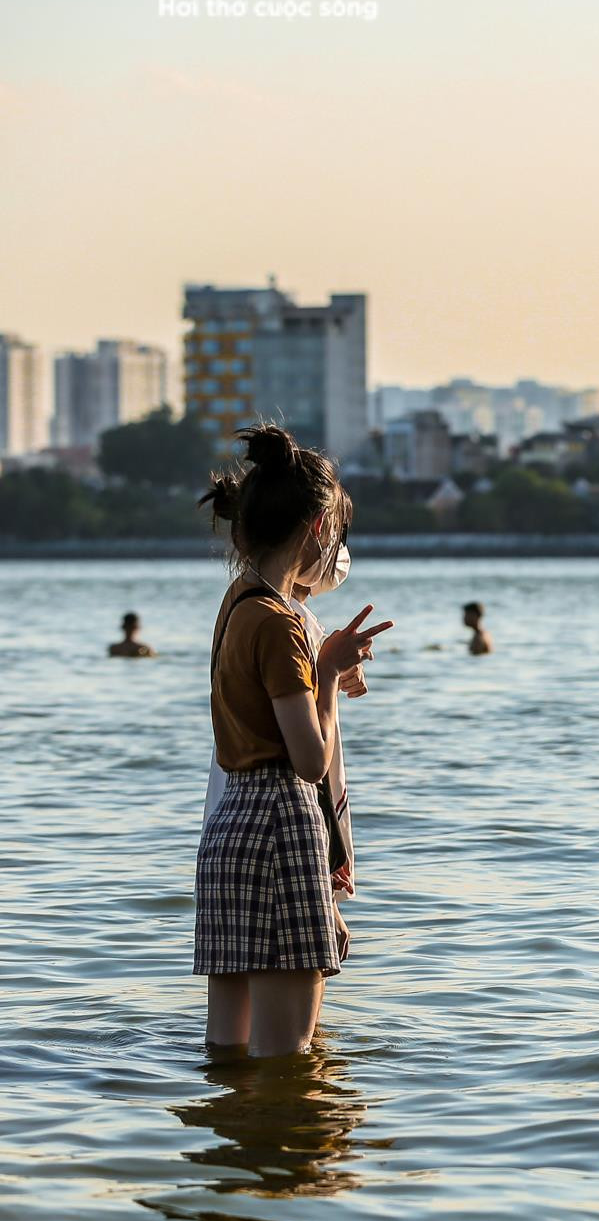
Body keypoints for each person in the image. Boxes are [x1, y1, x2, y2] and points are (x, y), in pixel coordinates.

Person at [195, 424, 393, 1058]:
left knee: (228, 1048)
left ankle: (233, 1146)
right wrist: (328, 674)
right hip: (281, 823)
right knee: (289, 1058)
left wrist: (322, 657)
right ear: (317, 529)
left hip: (229, 830)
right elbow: (309, 760)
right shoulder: (281, 625)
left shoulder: (238, 602)